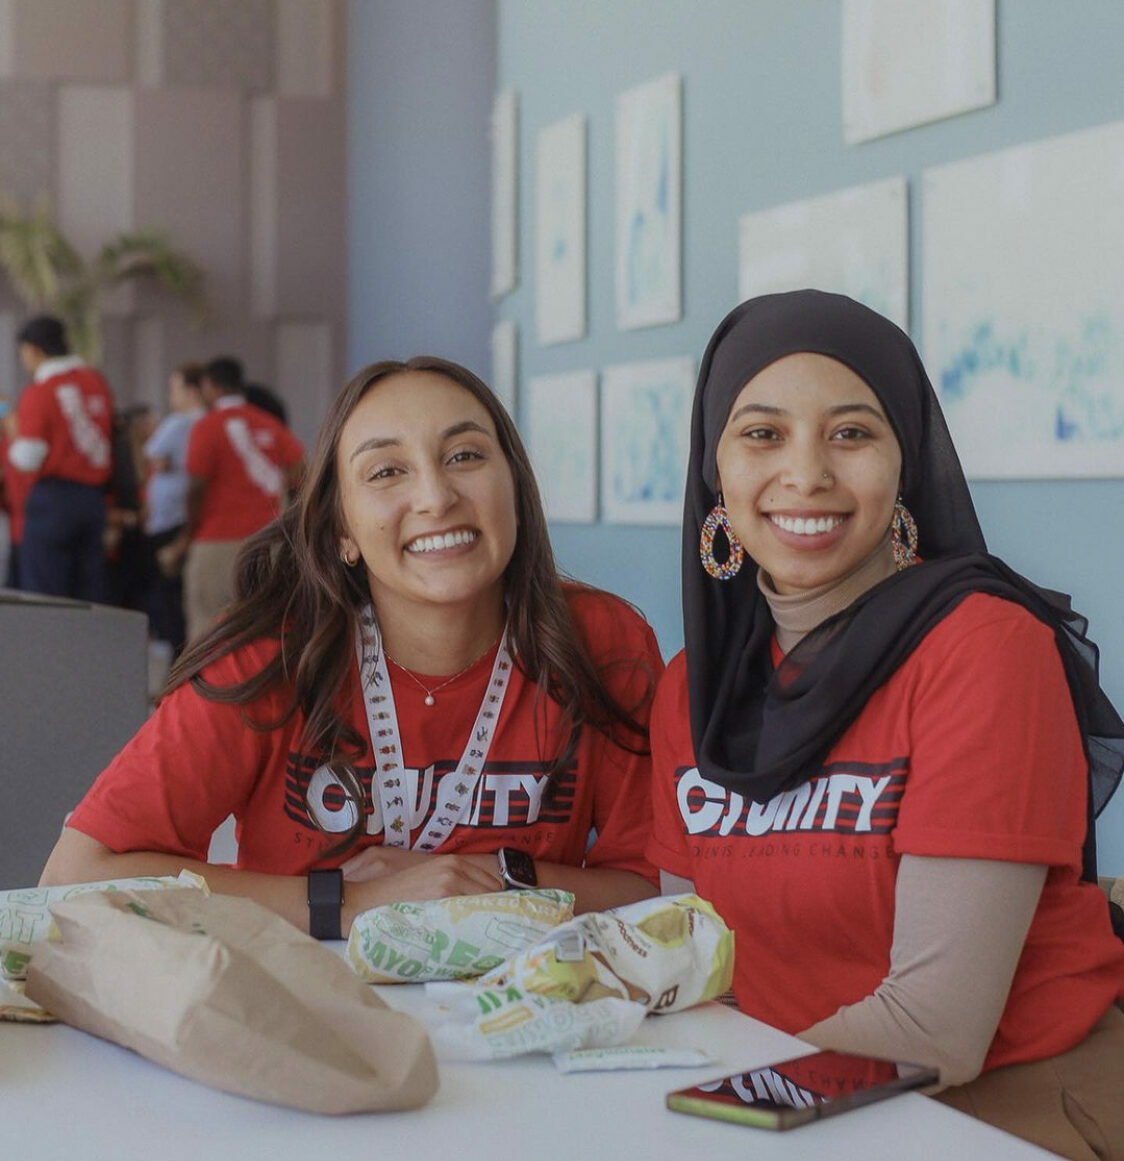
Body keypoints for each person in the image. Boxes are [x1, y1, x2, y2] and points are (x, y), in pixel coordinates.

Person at [647, 290, 1124, 1160]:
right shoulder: (691, 689)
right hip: (788, 1099)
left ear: (905, 460)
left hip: (1001, 1104)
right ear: (715, 470)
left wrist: (693, 1117)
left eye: (852, 433)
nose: (807, 474)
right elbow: (693, 962)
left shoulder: (983, 650)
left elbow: (934, 1026)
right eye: (762, 433)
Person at [41, 356, 663, 935]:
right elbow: (76, 873)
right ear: (344, 531)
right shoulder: (270, 655)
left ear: (516, 492)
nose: (436, 497)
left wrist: (495, 883)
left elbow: (642, 887)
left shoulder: (602, 643)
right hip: (310, 1018)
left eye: (465, 455)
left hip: (541, 1014)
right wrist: (348, 899)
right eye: (387, 471)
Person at [179, 356, 304, 642]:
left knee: (207, 632)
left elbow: (195, 486)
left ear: (211, 387)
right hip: (268, 541)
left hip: (217, 541)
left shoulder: (207, 426)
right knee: (267, 630)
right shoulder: (268, 423)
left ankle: (207, 688)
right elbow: (302, 471)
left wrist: (188, 532)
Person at [5, 315, 114, 600]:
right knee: (89, 595)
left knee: (46, 598)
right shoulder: (96, 383)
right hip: (93, 501)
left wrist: (10, 426)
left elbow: (27, 458)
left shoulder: (40, 391)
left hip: (53, 501)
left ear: (33, 350)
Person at [143, 364, 206, 654]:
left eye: (174, 389)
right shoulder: (210, 423)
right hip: (193, 521)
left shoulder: (180, 423)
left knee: (165, 596)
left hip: (170, 520)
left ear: (192, 390)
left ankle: (175, 656)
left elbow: (150, 453)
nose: (171, 396)